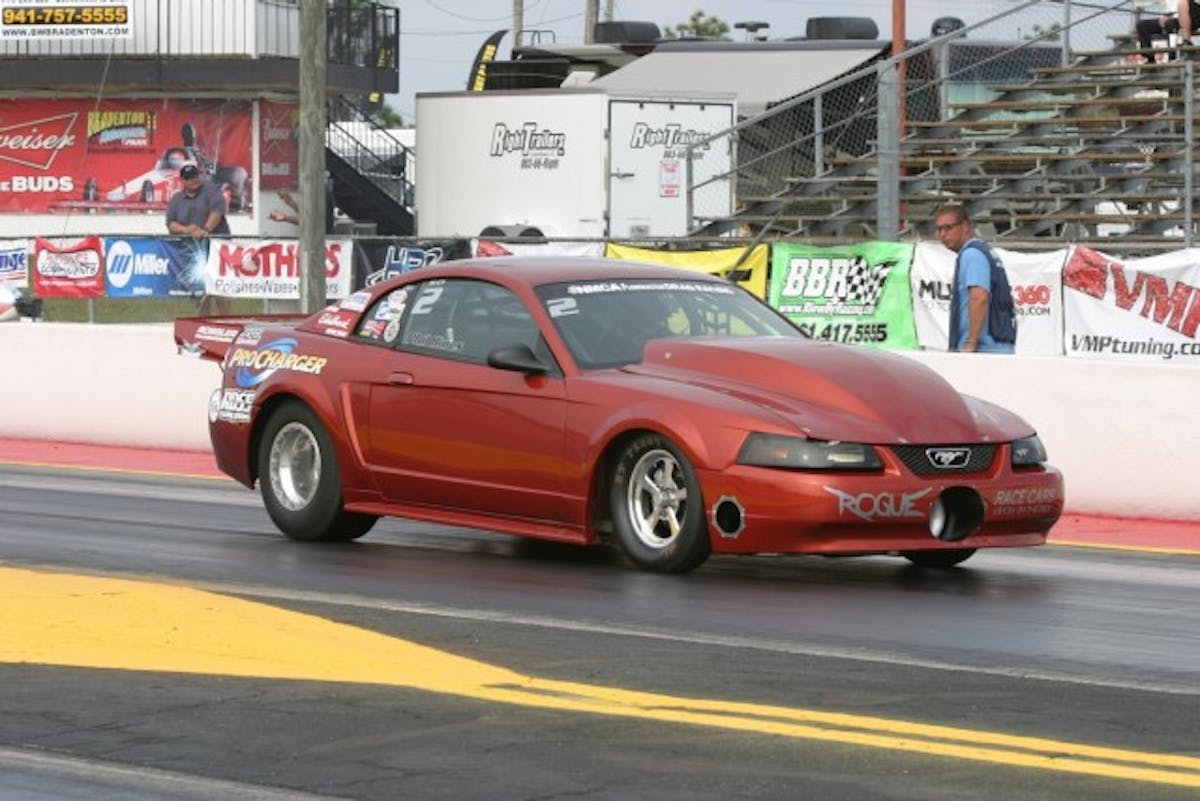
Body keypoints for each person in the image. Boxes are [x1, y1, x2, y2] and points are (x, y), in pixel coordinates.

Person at [933, 204, 1015, 354]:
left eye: (948, 227)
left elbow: (979, 297)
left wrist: (970, 343)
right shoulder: (984, 251)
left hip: (984, 351)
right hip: (996, 347)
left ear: (965, 226)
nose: (943, 234)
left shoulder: (972, 254)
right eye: (939, 229)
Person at [165, 164, 230, 239]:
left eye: (195, 176)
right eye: (188, 178)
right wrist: (186, 230)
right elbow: (171, 223)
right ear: (182, 180)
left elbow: (217, 213)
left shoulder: (212, 191)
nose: (193, 180)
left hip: (215, 244)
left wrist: (204, 230)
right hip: (186, 246)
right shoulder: (176, 199)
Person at [1135, 0, 1200, 59]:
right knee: (1142, 25)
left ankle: (1178, 51)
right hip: (1172, 19)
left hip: (1191, 16)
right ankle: (1149, 58)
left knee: (1170, 23)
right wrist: (1165, 17)